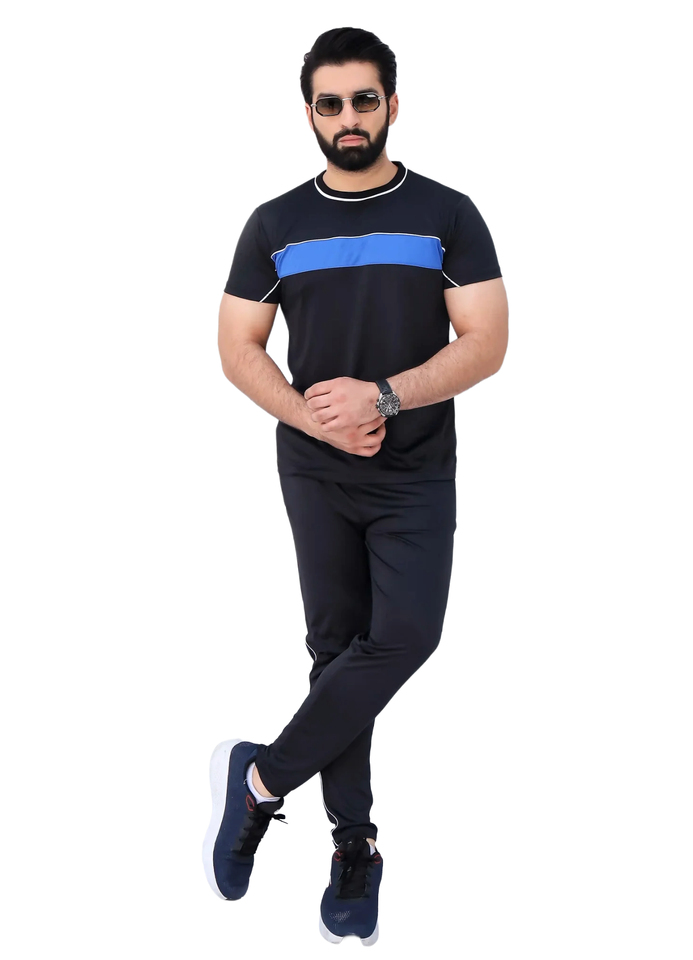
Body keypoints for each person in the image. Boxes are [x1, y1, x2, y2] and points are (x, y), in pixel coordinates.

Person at [202, 26, 509, 945]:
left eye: (363, 100)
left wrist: (383, 396)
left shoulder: (447, 214)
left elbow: (487, 342)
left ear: (391, 105)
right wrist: (313, 418)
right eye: (329, 103)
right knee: (336, 651)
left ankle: (259, 780)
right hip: (315, 470)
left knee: (407, 636)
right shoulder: (275, 223)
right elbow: (237, 347)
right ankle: (353, 845)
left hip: (414, 471)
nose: (347, 117)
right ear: (309, 114)